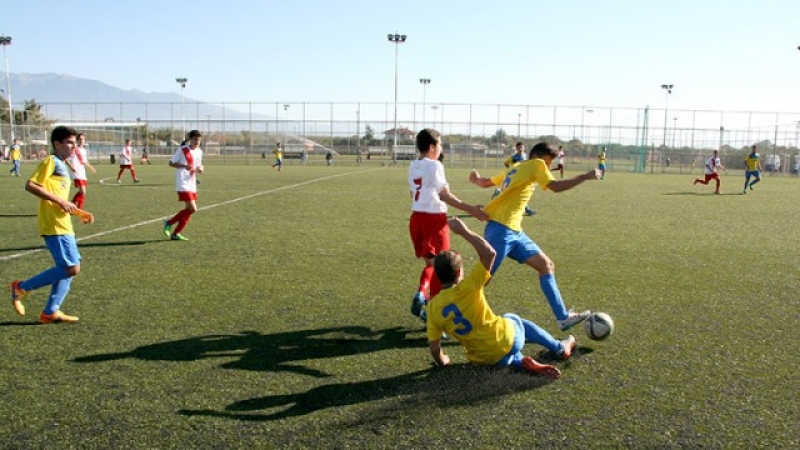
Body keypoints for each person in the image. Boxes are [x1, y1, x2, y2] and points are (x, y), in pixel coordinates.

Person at [468, 142, 598, 331]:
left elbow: (485, 183)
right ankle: (447, 312)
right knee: (482, 279)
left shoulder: (515, 167)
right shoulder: (536, 165)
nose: (547, 167)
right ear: (537, 156)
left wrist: (476, 179)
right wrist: (585, 176)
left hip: (513, 230)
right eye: (547, 162)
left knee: (546, 266)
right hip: (501, 229)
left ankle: (562, 318)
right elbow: (555, 187)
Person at [427, 217, 575, 379]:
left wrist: (443, 361)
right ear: (458, 272)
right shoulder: (470, 286)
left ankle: (520, 362)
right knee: (513, 319)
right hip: (505, 341)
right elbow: (490, 253)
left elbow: (434, 349)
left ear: (438, 276)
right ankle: (559, 348)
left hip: (482, 358)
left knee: (500, 355)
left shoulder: (432, 308)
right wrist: (463, 231)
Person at [10, 126, 88, 324]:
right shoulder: (50, 161)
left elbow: (59, 197)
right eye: (69, 142)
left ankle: (51, 311)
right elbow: (31, 185)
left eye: (75, 142)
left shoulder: (62, 164)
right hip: (53, 224)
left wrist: (79, 212)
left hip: (63, 223)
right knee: (72, 268)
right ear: (57, 144)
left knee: (70, 267)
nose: (74, 146)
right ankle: (22, 287)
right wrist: (61, 202)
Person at [408, 128, 488, 319]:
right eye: (440, 144)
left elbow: (413, 194)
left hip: (416, 219)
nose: (441, 148)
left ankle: (421, 295)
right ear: (431, 146)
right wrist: (470, 208)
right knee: (442, 268)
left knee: (432, 264)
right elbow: (444, 195)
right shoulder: (435, 166)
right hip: (433, 221)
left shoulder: (413, 165)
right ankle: (435, 315)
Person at [163, 130, 204, 241]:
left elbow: (199, 165)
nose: (197, 142)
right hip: (183, 183)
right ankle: (168, 223)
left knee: (189, 210)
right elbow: (171, 163)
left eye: (199, 140)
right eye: (195, 139)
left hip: (192, 183)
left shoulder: (199, 151)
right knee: (193, 209)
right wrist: (183, 166)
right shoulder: (182, 150)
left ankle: (176, 233)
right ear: (190, 139)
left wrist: (201, 169)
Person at [493, 141, 535, 216]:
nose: (520, 149)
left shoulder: (525, 156)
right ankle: (499, 193)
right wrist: (511, 169)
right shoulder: (514, 157)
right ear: (516, 148)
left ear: (524, 148)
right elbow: (506, 162)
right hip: (514, 178)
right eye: (519, 147)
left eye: (521, 147)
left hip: (521, 177)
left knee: (519, 194)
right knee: (516, 194)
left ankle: (499, 192)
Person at [69, 133, 96, 209]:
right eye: (80, 139)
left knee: (83, 192)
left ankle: (77, 207)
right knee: (83, 191)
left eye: (83, 139)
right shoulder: (74, 149)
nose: (82, 141)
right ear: (77, 140)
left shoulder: (84, 150)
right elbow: (66, 158)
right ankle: (73, 205)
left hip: (82, 172)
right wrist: (71, 166)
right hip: (76, 172)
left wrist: (91, 167)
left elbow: (85, 161)